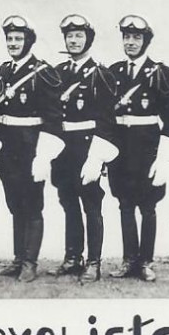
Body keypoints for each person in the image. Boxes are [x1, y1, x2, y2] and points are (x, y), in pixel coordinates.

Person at [107, 16, 169, 282]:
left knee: (148, 206)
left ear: (146, 41)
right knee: (124, 204)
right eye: (126, 37)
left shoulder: (161, 73)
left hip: (148, 149)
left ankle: (146, 262)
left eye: (136, 38)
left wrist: (165, 158)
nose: (130, 42)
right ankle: (129, 261)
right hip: (120, 149)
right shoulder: (113, 72)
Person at [0, 16, 63, 283]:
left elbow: (54, 119)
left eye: (18, 39)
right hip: (7, 147)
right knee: (14, 204)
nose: (13, 43)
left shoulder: (44, 72)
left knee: (31, 204)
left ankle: (30, 263)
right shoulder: (3, 71)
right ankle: (18, 259)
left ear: (29, 41)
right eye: (9, 39)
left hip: (31, 147)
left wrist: (44, 156)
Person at [49, 15, 118, 283]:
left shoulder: (101, 74)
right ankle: (73, 257)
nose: (73, 40)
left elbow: (107, 121)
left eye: (78, 35)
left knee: (91, 204)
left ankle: (93, 262)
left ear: (88, 39)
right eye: (69, 36)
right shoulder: (58, 72)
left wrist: (96, 158)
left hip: (88, 147)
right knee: (67, 202)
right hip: (64, 148)